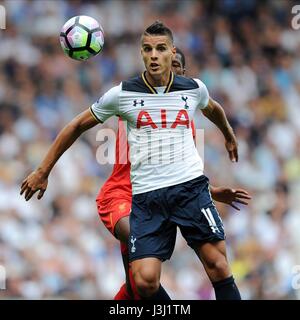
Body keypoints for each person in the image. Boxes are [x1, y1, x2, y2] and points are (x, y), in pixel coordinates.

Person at [21, 21, 241, 300]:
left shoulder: (191, 96)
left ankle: (131, 292)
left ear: (175, 57)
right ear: (141, 53)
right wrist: (43, 170)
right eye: (148, 49)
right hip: (128, 194)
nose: (156, 57)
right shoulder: (126, 97)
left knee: (214, 265)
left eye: (164, 53)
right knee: (142, 278)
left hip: (180, 191)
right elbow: (78, 124)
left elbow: (180, 165)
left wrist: (226, 143)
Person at [98, 48, 251, 300]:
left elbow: (179, 174)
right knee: (142, 275)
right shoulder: (136, 102)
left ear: (182, 73)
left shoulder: (185, 121)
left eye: (175, 64)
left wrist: (211, 192)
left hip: (166, 197)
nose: (168, 68)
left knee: (140, 286)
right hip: (124, 196)